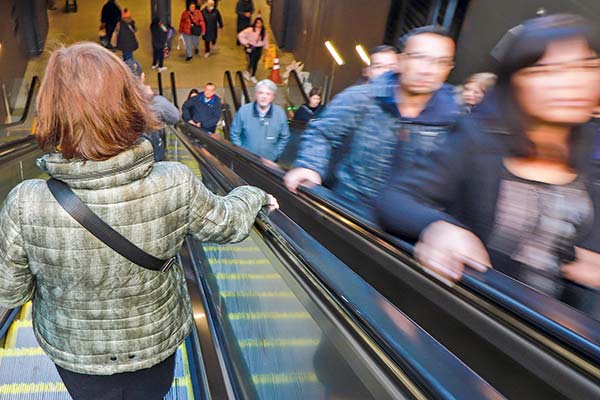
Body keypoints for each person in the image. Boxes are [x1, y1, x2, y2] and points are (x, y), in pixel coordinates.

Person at [0, 42, 278, 400]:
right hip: (154, 346)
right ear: (128, 101)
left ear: (51, 109)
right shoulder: (173, 181)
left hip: (77, 357)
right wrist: (254, 194)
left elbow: (10, 292)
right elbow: (228, 223)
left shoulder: (25, 203)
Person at [376, 14, 600, 317]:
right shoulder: (477, 138)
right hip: (468, 312)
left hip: (554, 328)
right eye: (545, 69)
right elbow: (395, 198)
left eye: (587, 65)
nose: (572, 82)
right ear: (514, 81)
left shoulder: (590, 151)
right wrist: (439, 227)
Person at [284, 26, 460, 215]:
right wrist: (310, 166)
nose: (429, 70)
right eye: (419, 57)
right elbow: (322, 132)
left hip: (411, 223)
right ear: (401, 60)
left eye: (441, 62)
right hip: (349, 212)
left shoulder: (455, 117)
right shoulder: (362, 98)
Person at [230, 79, 290, 161]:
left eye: (268, 94)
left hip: (270, 162)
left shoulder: (280, 113)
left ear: (273, 97)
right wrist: (242, 153)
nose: (264, 97)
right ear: (256, 94)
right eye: (261, 93)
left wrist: (275, 154)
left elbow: (284, 137)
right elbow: (234, 134)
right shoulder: (243, 111)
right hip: (246, 160)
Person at [238, 17, 269, 83]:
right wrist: (246, 43)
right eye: (257, 23)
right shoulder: (250, 30)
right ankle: (247, 72)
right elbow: (240, 35)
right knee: (251, 61)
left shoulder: (264, 31)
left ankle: (253, 75)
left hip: (259, 48)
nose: (258, 24)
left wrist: (266, 49)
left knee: (256, 62)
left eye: (260, 23)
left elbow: (266, 40)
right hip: (251, 48)